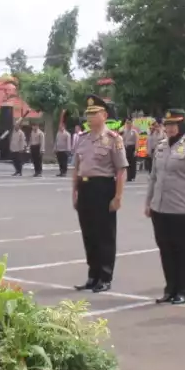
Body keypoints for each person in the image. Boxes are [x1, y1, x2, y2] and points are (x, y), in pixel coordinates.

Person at [146, 108, 185, 304]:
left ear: (181, 126)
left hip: (182, 209)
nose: (170, 128)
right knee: (165, 249)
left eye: (174, 125)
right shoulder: (161, 147)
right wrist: (149, 202)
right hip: (160, 208)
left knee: (183, 250)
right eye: (168, 125)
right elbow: (153, 178)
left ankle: (183, 289)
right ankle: (170, 288)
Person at [73, 95, 127, 292]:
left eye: (93, 113)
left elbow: (121, 170)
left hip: (103, 188)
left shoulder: (114, 139)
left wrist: (118, 196)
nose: (89, 117)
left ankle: (105, 276)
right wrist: (75, 192)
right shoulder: (81, 139)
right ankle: (92, 275)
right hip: (85, 188)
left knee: (105, 235)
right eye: (87, 114)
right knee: (89, 234)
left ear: (104, 115)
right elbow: (76, 168)